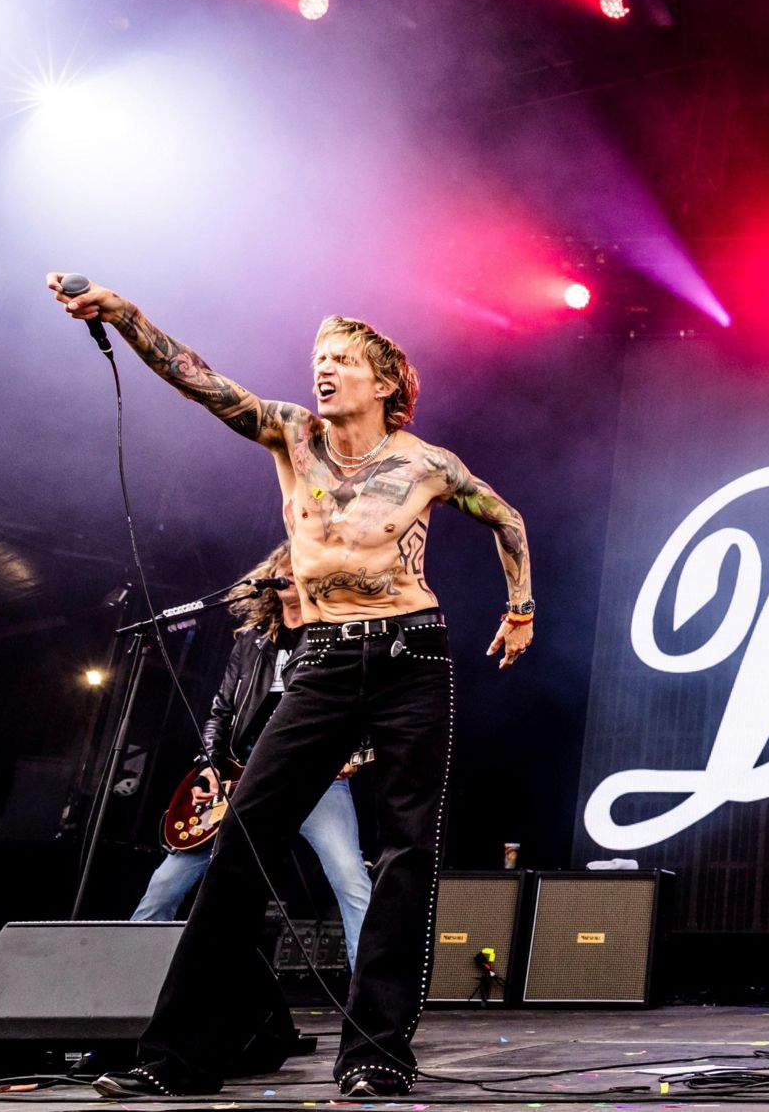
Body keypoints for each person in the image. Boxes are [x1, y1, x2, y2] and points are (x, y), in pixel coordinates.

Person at [49, 275, 534, 1100]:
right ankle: (177, 1057)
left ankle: (376, 1051)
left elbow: (507, 519)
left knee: (406, 852)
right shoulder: (289, 435)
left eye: (342, 358)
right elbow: (198, 380)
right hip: (323, 656)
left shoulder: (427, 463)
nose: (324, 369)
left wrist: (520, 606)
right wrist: (125, 314)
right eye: (319, 357)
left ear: (385, 382)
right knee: (241, 843)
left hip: (414, 655)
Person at [132, 543, 372, 974]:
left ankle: (370, 1000)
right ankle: (131, 989)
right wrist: (208, 764)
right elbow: (221, 711)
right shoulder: (251, 644)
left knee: (351, 879)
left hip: (316, 779)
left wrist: (349, 750)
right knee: (165, 885)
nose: (291, 572)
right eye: (286, 565)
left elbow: (360, 707)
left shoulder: (337, 639)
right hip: (241, 781)